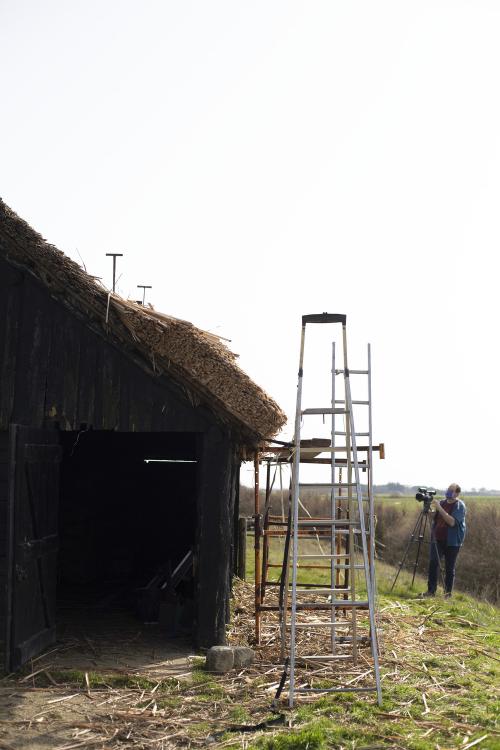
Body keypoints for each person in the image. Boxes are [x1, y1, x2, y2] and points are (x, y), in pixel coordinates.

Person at [424, 483, 466, 597]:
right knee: (433, 563)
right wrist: (428, 511)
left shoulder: (459, 506)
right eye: (448, 489)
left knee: (449, 567)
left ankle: (447, 594)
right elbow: (436, 517)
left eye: (451, 490)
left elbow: (452, 522)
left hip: (452, 541)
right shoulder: (442, 502)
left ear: (457, 493)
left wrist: (440, 508)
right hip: (437, 538)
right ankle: (431, 591)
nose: (448, 492)